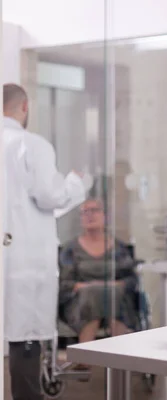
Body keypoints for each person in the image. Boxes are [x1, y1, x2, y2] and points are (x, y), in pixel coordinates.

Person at [3, 83, 86, 400]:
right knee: (24, 343)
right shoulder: (29, 144)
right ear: (24, 107)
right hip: (23, 265)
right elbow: (50, 196)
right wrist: (74, 184)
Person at [58, 199, 138, 370]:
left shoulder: (119, 248)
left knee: (110, 292)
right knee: (94, 292)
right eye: (85, 212)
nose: (90, 215)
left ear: (105, 216)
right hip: (79, 304)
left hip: (117, 299)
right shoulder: (70, 250)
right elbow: (65, 284)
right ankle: (102, 354)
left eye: (94, 210)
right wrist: (83, 287)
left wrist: (113, 285)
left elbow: (131, 280)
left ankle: (106, 354)